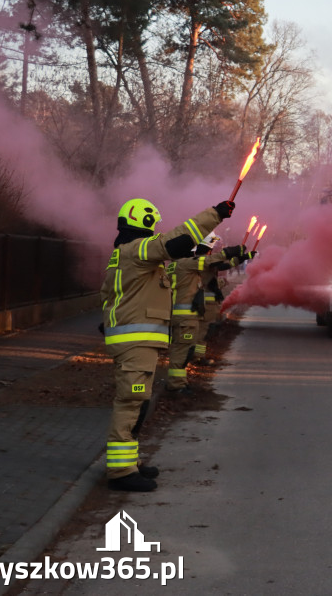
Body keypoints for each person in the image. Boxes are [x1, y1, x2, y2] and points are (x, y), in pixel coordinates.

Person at [100, 197, 234, 492]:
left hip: (136, 342)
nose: (155, 230)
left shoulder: (124, 253)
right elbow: (174, 241)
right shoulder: (137, 249)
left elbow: (111, 295)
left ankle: (128, 462)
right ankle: (120, 471)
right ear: (143, 221)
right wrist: (215, 214)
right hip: (135, 342)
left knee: (139, 402)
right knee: (132, 401)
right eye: (152, 224)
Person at [165, 235, 252, 393]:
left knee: (185, 348)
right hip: (186, 314)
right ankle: (176, 384)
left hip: (184, 313)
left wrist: (241, 257)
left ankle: (179, 382)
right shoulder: (186, 264)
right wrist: (229, 251)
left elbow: (217, 265)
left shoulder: (176, 265)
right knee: (182, 350)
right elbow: (208, 262)